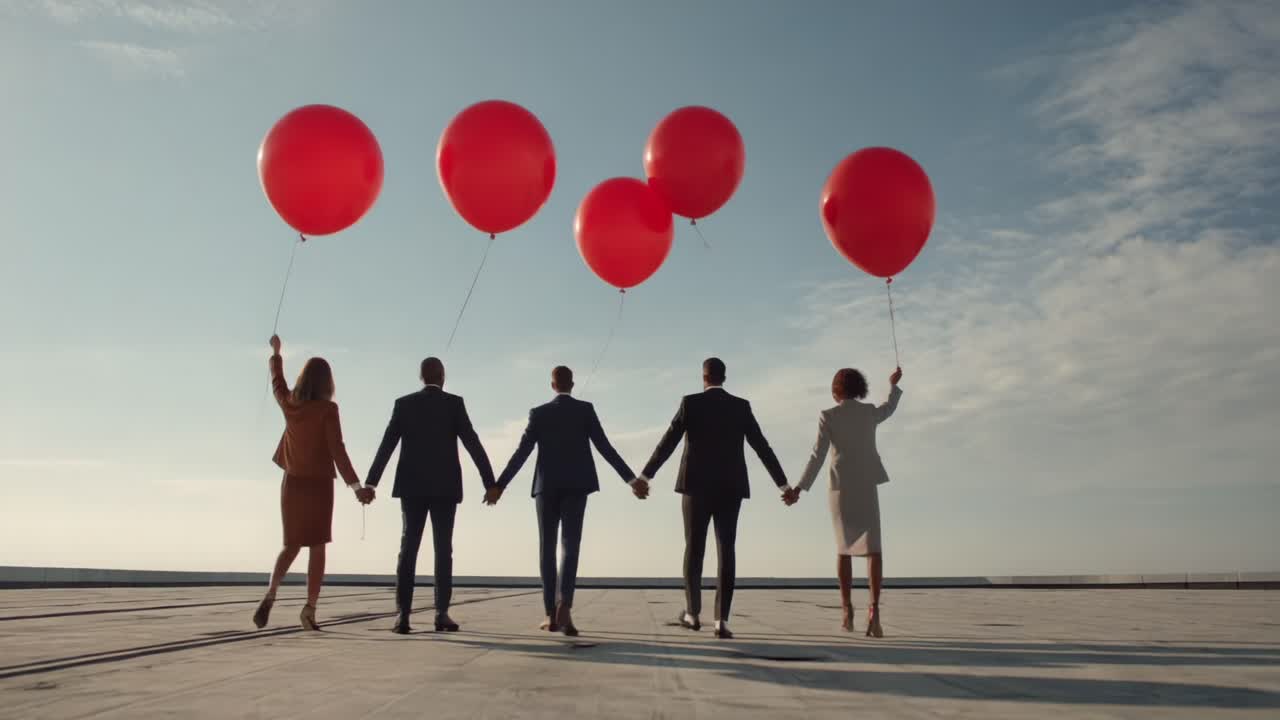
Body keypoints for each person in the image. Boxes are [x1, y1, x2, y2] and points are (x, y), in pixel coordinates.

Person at [636, 357, 793, 639]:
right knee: (726, 549)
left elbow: (668, 441)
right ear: (724, 377)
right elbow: (762, 447)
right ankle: (721, 621)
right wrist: (783, 485)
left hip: (695, 486)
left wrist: (645, 477)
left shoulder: (690, 403)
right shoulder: (740, 407)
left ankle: (693, 614)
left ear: (703, 377)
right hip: (730, 488)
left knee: (694, 549)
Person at [486, 366, 647, 636]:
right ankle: (566, 607)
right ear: (572, 384)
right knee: (570, 545)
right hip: (576, 486)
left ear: (552, 385)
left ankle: (550, 613)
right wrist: (631, 480)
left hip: (546, 488)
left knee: (547, 549)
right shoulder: (585, 410)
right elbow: (605, 447)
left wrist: (499, 486)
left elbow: (522, 452)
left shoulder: (539, 413)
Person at [365, 356, 496, 634]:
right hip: (445, 488)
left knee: (408, 548)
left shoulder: (404, 404)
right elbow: (472, 441)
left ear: (421, 377)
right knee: (443, 550)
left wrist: (371, 482)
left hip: (411, 487)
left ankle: (402, 616)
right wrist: (490, 482)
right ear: (443, 376)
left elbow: (387, 444)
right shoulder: (454, 404)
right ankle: (441, 613)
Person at [254, 335, 371, 631]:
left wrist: (276, 353)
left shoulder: (290, 403)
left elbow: (277, 383)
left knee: (290, 545)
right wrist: (357, 487)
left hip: (292, 482)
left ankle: (271, 592)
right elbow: (337, 449)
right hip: (319, 485)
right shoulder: (328, 410)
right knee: (317, 546)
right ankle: (309, 609)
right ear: (327, 383)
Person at [789, 367, 903, 637]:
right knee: (873, 549)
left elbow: (817, 455)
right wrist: (893, 385)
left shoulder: (828, 416)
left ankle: (847, 609)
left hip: (840, 487)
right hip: (866, 484)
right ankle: (874, 611)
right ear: (860, 387)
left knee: (844, 548)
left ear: (836, 389)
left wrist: (799, 488)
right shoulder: (868, 412)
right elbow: (889, 408)